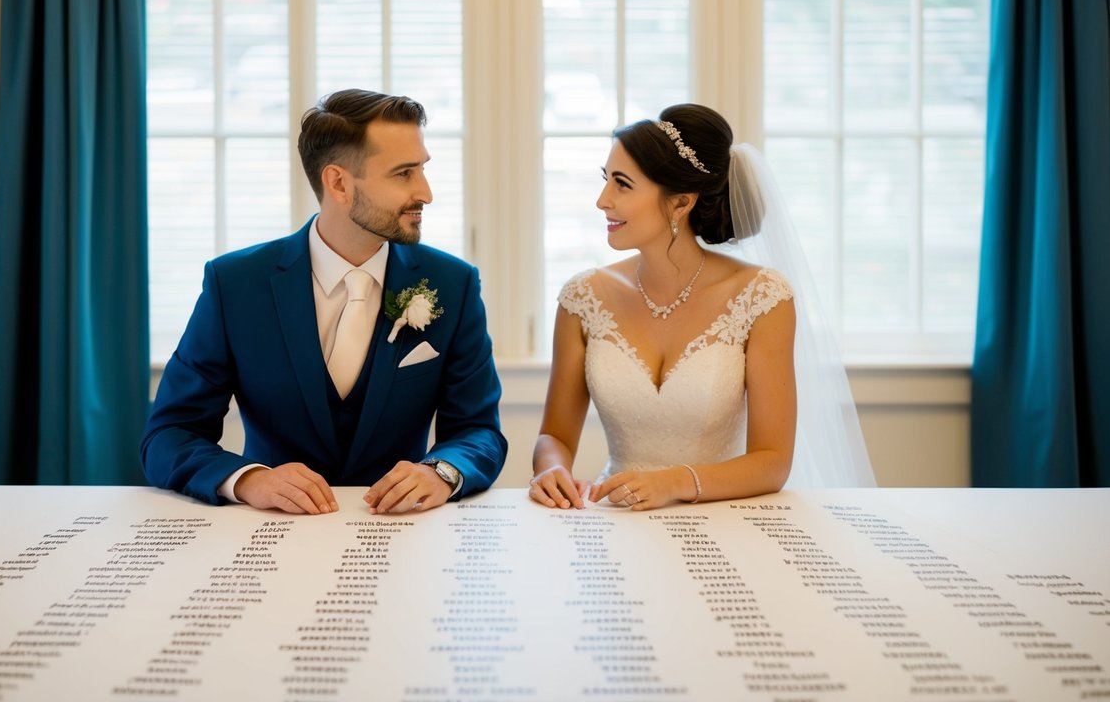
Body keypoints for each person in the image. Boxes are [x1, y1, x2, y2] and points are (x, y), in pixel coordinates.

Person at [143, 89, 507, 515]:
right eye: (404, 173)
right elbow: (169, 435)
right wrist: (250, 480)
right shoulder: (235, 284)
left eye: (423, 169)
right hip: (269, 537)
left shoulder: (453, 283)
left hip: (403, 538)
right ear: (338, 182)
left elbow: (478, 430)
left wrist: (440, 471)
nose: (426, 192)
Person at [530, 103, 874, 511]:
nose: (602, 201)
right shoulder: (582, 297)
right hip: (618, 517)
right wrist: (550, 470)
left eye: (622, 184)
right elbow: (555, 436)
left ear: (681, 203)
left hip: (723, 519)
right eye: (606, 181)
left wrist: (672, 483)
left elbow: (772, 462)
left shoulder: (762, 297)